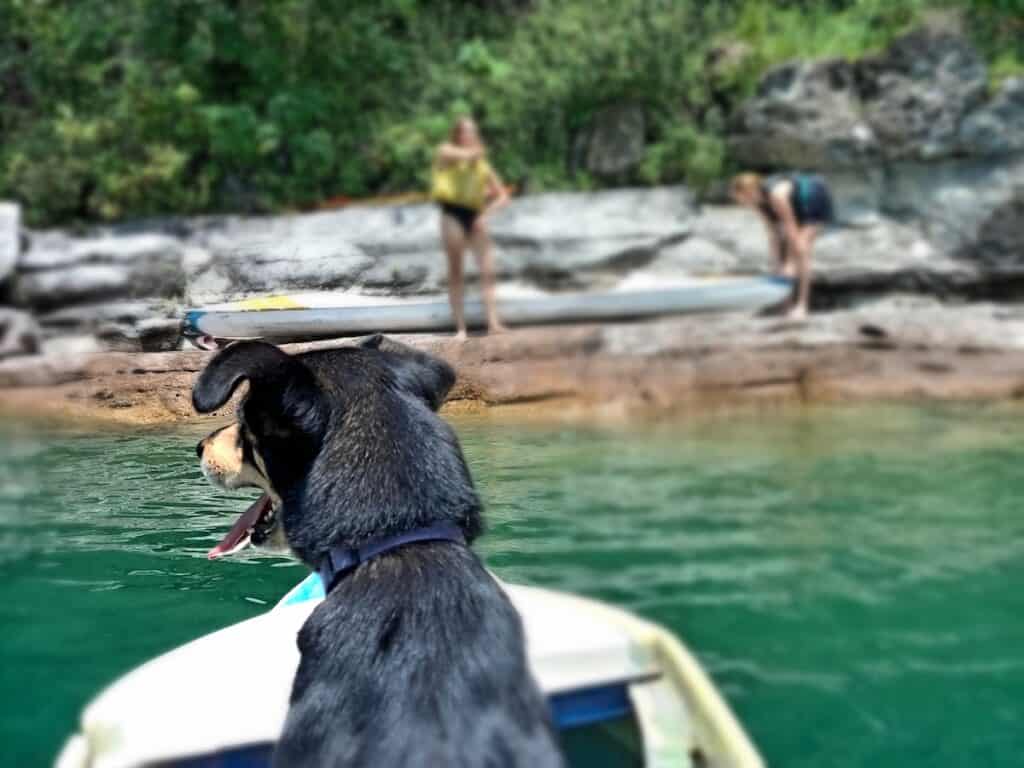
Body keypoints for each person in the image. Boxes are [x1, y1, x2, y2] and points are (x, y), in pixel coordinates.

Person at [432, 117, 510, 341]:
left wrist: (486, 213)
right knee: (456, 270)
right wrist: (476, 153)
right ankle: (461, 329)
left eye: (473, 132)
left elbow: (502, 195)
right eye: (466, 132)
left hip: (475, 215)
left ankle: (493, 323)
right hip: (452, 214)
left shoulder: (483, 165)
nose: (470, 136)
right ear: (457, 135)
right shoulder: (446, 152)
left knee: (488, 271)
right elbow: (466, 155)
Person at [731, 172, 834, 319]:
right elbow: (773, 236)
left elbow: (792, 231)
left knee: (801, 248)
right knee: (781, 263)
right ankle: (785, 303)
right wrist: (776, 266)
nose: (743, 203)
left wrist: (790, 263)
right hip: (793, 206)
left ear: (751, 191)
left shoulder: (777, 196)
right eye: (740, 201)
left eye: (743, 198)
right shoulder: (757, 204)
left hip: (812, 199)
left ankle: (802, 305)